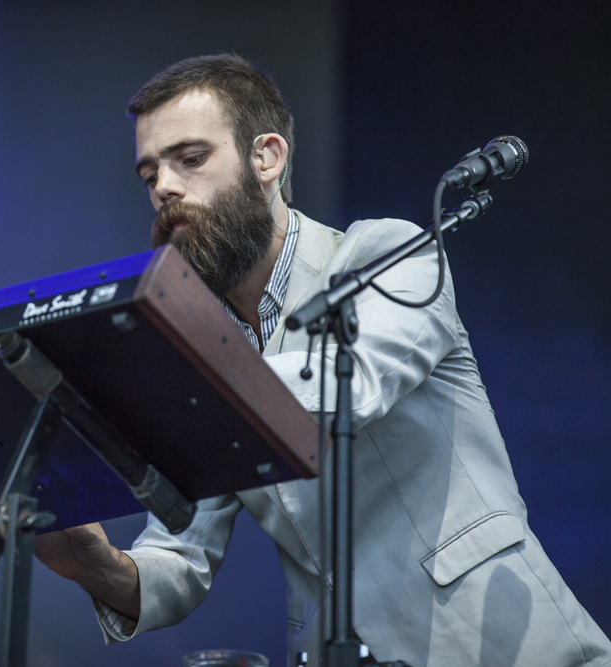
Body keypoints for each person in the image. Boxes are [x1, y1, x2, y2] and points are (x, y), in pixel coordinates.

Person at [34, 54, 611, 667]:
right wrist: (101, 569)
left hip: (501, 645)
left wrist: (153, 396)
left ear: (268, 158)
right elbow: (181, 555)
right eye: (149, 174)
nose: (165, 188)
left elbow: (351, 387)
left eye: (191, 158)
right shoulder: (197, 359)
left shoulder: (387, 255)